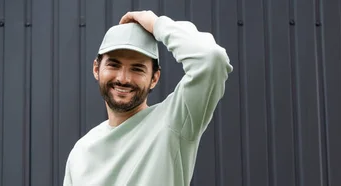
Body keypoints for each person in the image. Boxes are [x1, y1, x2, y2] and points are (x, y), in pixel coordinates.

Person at [62, 10, 233, 186]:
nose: (123, 78)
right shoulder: (81, 153)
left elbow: (211, 58)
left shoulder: (173, 122)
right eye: (114, 65)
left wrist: (157, 24)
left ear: (154, 78)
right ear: (96, 69)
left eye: (137, 69)